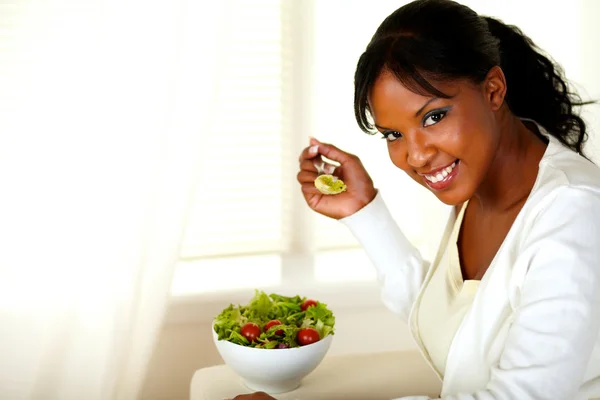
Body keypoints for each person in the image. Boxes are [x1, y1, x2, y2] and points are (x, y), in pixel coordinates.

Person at [233, 0, 600, 399]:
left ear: (493, 90)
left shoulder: (575, 212)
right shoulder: (480, 187)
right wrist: (364, 210)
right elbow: (451, 322)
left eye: (433, 117)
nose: (417, 155)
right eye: (393, 134)